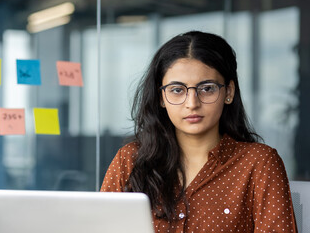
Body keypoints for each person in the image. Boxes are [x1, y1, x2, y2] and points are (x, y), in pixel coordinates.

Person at [100, 31, 298, 232]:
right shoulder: (129, 160)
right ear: (161, 97)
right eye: (177, 90)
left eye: (207, 88)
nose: (192, 103)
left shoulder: (258, 163)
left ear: (228, 92)